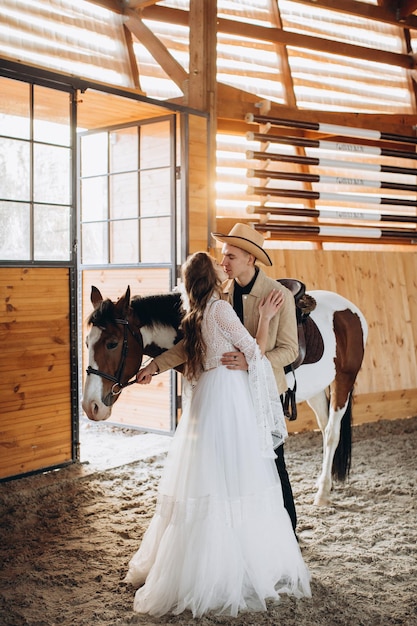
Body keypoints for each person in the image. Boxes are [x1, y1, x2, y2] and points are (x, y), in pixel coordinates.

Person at [124, 252, 310, 618]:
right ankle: (239, 561)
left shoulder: (195, 315)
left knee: (205, 477)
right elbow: (253, 351)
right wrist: (267, 319)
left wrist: (153, 367)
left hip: (207, 400)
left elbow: (185, 350)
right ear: (211, 278)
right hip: (228, 397)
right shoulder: (221, 310)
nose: (225, 265)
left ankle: (191, 561)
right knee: (239, 475)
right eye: (219, 263)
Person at [137, 223, 299, 531]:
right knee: (230, 468)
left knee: (272, 464)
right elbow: (192, 344)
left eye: (231, 256)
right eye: (222, 256)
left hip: (261, 391)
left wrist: (252, 362)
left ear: (251, 258)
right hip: (228, 395)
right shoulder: (220, 295)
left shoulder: (278, 296)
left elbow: (289, 350)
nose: (223, 262)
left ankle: (286, 530)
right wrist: (156, 365)